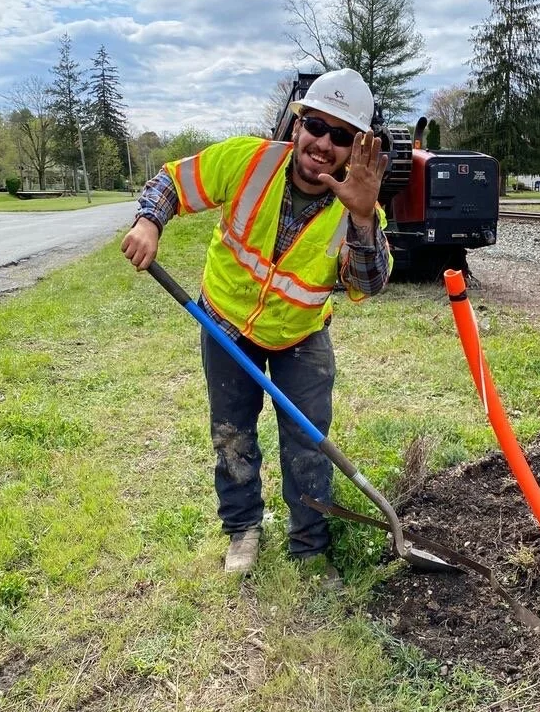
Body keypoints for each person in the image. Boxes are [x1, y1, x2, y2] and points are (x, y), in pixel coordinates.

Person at [122, 69, 391, 580]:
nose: (323, 143)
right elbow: (172, 182)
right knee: (231, 432)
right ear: (297, 125)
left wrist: (361, 220)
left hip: (301, 335)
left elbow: (369, 283)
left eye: (341, 135)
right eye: (316, 125)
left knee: (308, 441)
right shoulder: (248, 161)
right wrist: (148, 222)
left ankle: (310, 546)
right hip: (224, 321)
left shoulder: (359, 207)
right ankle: (243, 529)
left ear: (356, 148)